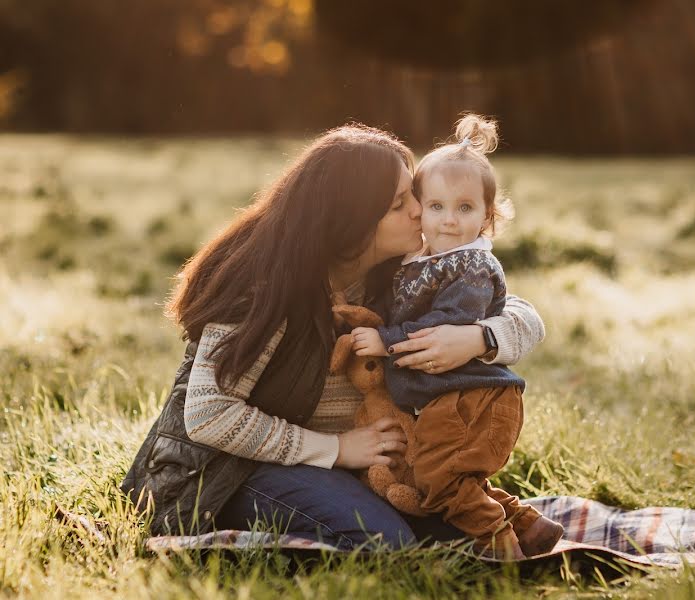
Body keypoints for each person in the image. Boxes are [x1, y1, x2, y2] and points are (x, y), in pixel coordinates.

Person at [120, 123, 546, 551]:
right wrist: (337, 450)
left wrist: (478, 339)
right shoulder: (266, 287)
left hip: (352, 465)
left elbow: (521, 314)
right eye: (401, 203)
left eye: (413, 194)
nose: (420, 210)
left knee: (454, 532)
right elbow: (209, 415)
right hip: (228, 473)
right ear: (352, 220)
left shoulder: (395, 271)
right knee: (386, 543)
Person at [349, 115, 564, 559]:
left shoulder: (472, 266)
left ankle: (501, 548)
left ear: (487, 216)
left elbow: (448, 323)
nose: (448, 221)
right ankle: (528, 524)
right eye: (437, 207)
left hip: (471, 399)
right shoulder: (420, 258)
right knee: (453, 478)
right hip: (446, 400)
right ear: (420, 207)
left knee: (436, 479)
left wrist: (387, 340)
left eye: (464, 209)